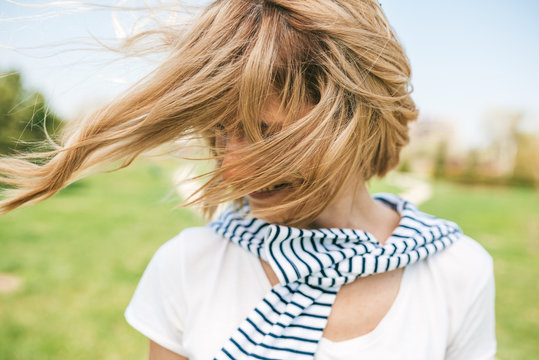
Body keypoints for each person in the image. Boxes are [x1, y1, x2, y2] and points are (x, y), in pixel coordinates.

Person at [0, 0, 496, 359]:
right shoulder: (186, 266)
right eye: (220, 132)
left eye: (268, 133)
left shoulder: (458, 273)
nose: (233, 167)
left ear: (354, 121)